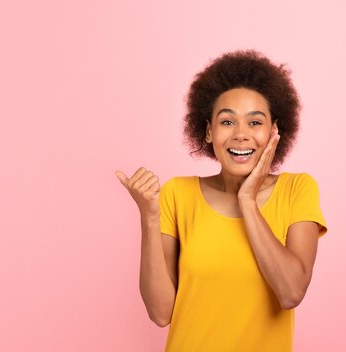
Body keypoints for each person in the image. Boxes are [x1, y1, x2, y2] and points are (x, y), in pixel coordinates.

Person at [115, 49, 328, 351]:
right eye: (227, 122)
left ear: (275, 131)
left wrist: (248, 200)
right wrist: (149, 218)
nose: (241, 134)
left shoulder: (298, 190)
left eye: (255, 123)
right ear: (208, 131)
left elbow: (291, 292)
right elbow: (160, 313)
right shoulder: (178, 194)